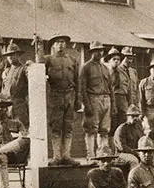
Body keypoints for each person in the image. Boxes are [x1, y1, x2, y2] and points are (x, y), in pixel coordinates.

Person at [43, 33, 81, 166]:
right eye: (58, 42)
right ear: (53, 45)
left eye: (63, 42)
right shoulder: (49, 59)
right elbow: (38, 64)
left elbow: (77, 80)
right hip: (55, 95)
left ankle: (66, 155)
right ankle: (57, 156)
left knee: (68, 127)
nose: (60, 44)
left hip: (70, 96)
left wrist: (77, 100)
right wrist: (38, 47)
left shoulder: (72, 60)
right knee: (56, 127)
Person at [80, 41, 113, 163]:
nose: (99, 53)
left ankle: (102, 155)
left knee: (104, 130)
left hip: (106, 99)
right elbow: (82, 88)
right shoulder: (86, 67)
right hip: (93, 99)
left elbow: (111, 88)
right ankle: (91, 156)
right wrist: (86, 105)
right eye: (96, 51)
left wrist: (112, 104)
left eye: (101, 50)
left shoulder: (105, 68)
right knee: (91, 129)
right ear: (91, 52)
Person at [2, 42, 29, 129]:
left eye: (12, 54)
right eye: (8, 55)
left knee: (21, 128)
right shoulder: (7, 71)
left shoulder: (24, 69)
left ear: (18, 55)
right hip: (7, 105)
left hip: (19, 105)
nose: (10, 57)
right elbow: (4, 89)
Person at [113, 104, 143, 168]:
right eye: (133, 116)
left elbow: (142, 142)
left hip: (136, 153)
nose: (135, 118)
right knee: (134, 161)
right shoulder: (122, 129)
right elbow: (122, 147)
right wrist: (136, 153)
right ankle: (133, 178)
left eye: (137, 116)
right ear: (128, 117)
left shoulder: (139, 128)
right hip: (122, 154)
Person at [109, 47, 130, 133]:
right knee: (111, 124)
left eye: (118, 59)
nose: (116, 61)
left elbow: (129, 89)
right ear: (109, 60)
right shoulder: (105, 72)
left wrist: (130, 103)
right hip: (110, 99)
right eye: (114, 59)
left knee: (122, 124)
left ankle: (120, 145)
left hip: (122, 99)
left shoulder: (124, 72)